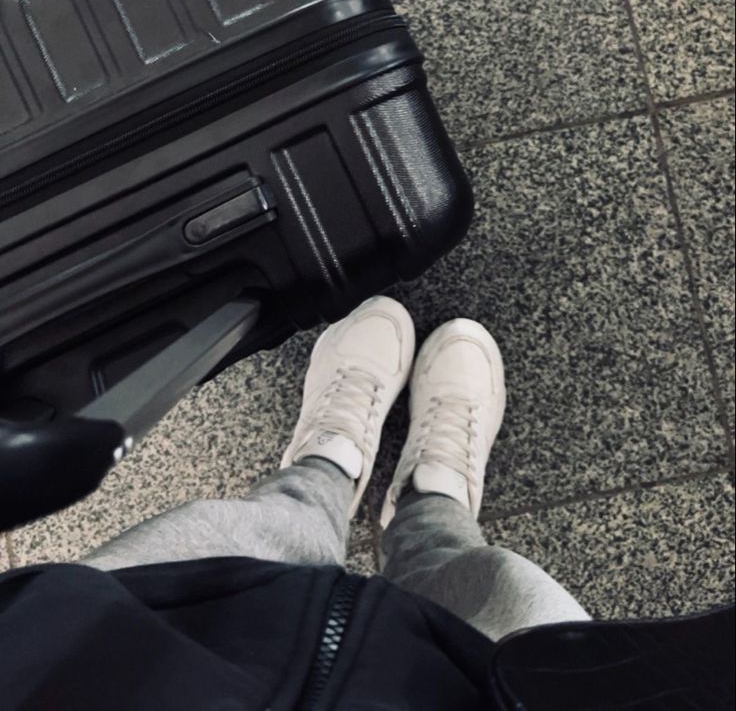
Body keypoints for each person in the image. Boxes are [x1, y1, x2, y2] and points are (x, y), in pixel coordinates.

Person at [4, 299, 730, 710]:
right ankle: (428, 504)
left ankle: (325, 468)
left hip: (80, 662)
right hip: (515, 697)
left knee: (241, 538)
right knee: (489, 586)